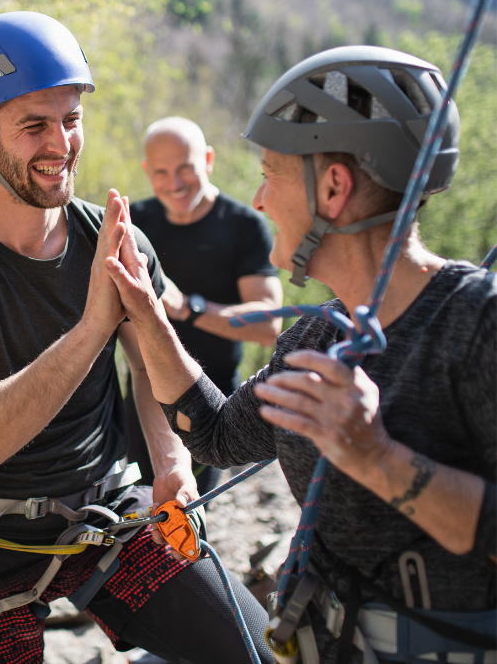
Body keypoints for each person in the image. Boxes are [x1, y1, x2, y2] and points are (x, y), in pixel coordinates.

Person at [0, 11, 272, 664]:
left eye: (71, 119)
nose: (60, 143)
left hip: (105, 514)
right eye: (34, 125)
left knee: (256, 653)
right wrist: (95, 324)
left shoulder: (115, 243)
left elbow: (149, 366)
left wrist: (170, 458)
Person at [102, 46, 496, 663]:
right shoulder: (313, 340)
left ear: (333, 188)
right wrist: (148, 312)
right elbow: (213, 437)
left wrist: (380, 459)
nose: (258, 199)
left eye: (270, 172)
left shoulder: (476, 325)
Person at [126, 116, 282, 491]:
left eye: (185, 169)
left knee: (188, 524)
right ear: (148, 172)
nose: (174, 184)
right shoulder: (136, 222)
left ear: (208, 160)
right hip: (142, 395)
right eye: (161, 172)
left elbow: (268, 325)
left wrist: (189, 308)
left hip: (211, 404)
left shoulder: (243, 225)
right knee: (133, 519)